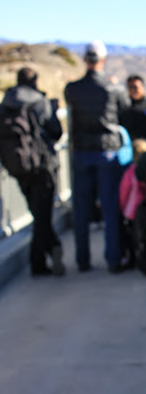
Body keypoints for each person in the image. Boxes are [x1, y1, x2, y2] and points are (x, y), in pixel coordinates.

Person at [64, 40, 130, 274]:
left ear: (85, 60)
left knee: (81, 209)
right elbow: (125, 108)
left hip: (81, 152)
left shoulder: (73, 89)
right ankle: (113, 259)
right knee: (110, 207)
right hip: (107, 152)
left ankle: (83, 260)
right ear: (103, 60)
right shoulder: (112, 88)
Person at [0, 68, 65, 276]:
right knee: (42, 215)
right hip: (42, 164)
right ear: (35, 81)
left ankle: (48, 251)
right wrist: (53, 111)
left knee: (37, 213)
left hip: (17, 166)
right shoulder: (39, 102)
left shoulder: (6, 103)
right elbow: (56, 132)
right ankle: (41, 259)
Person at [119, 138, 146, 268]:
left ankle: (133, 258)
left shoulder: (129, 172)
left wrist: (122, 207)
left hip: (131, 210)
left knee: (132, 236)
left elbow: (124, 191)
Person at [119, 75, 146, 141]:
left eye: (135, 87)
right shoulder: (124, 109)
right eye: (130, 87)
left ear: (142, 88)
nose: (133, 90)